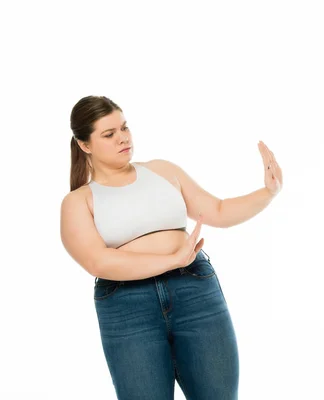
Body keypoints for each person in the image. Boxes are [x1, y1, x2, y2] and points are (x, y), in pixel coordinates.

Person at [59, 95, 283, 400]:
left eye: (124, 128)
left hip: (195, 291)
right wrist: (171, 260)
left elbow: (217, 210)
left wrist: (268, 192)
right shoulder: (79, 201)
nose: (123, 138)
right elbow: (98, 262)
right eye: (109, 134)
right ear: (85, 144)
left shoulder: (162, 171)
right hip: (127, 306)